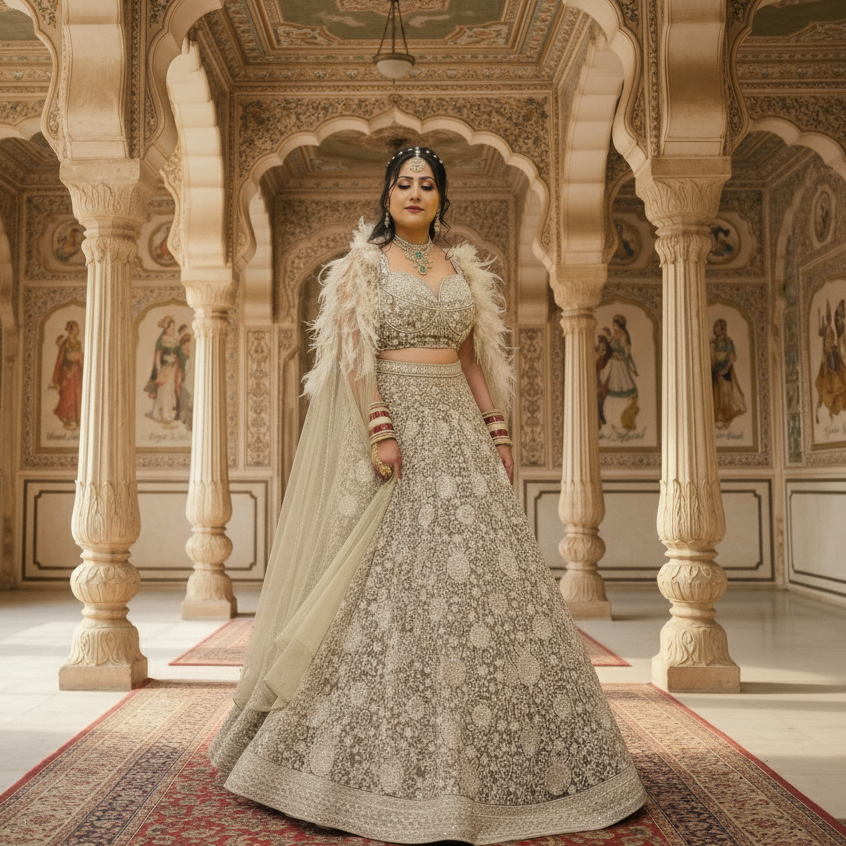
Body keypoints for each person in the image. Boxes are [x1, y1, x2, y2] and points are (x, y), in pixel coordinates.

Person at [209, 146, 645, 842]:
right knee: (385, 576)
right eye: (403, 183)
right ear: (387, 195)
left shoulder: (461, 265)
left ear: (442, 198)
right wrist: (382, 427)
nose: (415, 193)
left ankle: (505, 763)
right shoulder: (364, 265)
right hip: (397, 423)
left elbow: (473, 358)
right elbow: (356, 354)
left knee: (480, 578)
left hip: (459, 427)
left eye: (427, 185)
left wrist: (496, 428)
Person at [710, 318, 746, 429]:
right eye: (715, 327)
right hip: (715, 372)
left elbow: (732, 357)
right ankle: (717, 418)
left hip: (725, 371)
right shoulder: (713, 342)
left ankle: (725, 419)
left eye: (718, 327)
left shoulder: (728, 342)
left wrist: (725, 369)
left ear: (723, 329)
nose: (716, 329)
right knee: (716, 394)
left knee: (725, 394)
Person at [50, 320, 83, 429]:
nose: (77, 330)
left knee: (77, 394)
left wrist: (80, 358)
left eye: (77, 328)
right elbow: (62, 358)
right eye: (76, 328)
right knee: (68, 395)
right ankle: (67, 419)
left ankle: (77, 419)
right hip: (68, 373)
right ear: (71, 330)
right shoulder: (65, 343)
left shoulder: (78, 343)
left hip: (77, 372)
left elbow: (80, 357)